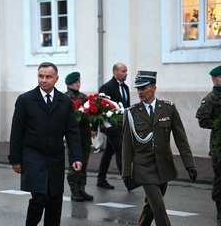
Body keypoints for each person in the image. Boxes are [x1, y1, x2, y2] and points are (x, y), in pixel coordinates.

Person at [9, 62, 83, 226]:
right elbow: (17, 132)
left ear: (56, 79)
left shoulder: (64, 101)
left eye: (48, 77)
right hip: (32, 156)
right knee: (40, 196)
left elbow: (72, 132)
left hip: (55, 158)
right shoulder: (25, 100)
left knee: (55, 199)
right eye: (40, 76)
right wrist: (15, 159)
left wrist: (77, 157)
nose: (43, 80)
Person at [122, 70, 197, 226]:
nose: (140, 92)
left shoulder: (168, 109)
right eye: (138, 88)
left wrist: (189, 164)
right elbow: (127, 145)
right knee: (158, 204)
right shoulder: (131, 113)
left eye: (144, 88)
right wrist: (126, 171)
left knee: (151, 206)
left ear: (154, 88)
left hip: (164, 166)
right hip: (143, 167)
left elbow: (181, 139)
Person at [94, 63, 137, 190]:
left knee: (108, 152)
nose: (126, 73)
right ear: (115, 72)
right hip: (111, 128)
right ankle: (128, 182)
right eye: (123, 71)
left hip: (121, 126)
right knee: (121, 151)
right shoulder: (106, 88)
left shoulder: (126, 87)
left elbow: (126, 107)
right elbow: (100, 107)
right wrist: (97, 127)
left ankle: (101, 179)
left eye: (126, 71)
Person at [196, 65, 221, 221]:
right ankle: (220, 207)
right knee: (220, 178)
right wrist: (218, 124)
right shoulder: (211, 99)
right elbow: (203, 120)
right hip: (219, 146)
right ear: (215, 79)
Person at [64, 72, 93, 202]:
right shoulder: (65, 98)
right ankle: (74, 191)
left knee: (84, 163)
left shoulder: (84, 97)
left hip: (85, 134)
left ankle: (82, 189)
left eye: (79, 81)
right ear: (69, 84)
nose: (78, 84)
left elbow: (92, 112)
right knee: (74, 163)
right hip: (73, 136)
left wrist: (94, 127)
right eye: (76, 82)